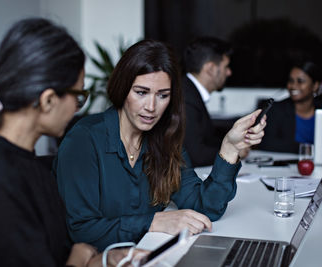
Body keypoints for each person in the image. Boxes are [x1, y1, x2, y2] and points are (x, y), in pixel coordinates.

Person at [0, 18, 130, 267]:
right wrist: (77, 260)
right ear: (48, 100)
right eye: (78, 95)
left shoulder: (28, 165)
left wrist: (105, 260)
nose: (77, 107)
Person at [56, 39, 266, 251]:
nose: (151, 107)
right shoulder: (84, 139)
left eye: (163, 95)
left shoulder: (165, 138)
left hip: (153, 256)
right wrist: (154, 222)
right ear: (123, 88)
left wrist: (229, 149)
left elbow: (205, 207)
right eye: (141, 92)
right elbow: (81, 230)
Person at [182, 36, 249, 167]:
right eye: (226, 67)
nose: (229, 72)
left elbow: (207, 141)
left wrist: (234, 144)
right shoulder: (185, 97)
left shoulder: (190, 91)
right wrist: (233, 152)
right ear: (211, 69)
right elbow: (196, 155)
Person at [258, 59, 322, 153]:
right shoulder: (277, 109)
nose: (293, 86)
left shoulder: (320, 110)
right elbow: (266, 143)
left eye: (300, 81)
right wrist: (306, 149)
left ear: (315, 86)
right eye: (291, 81)